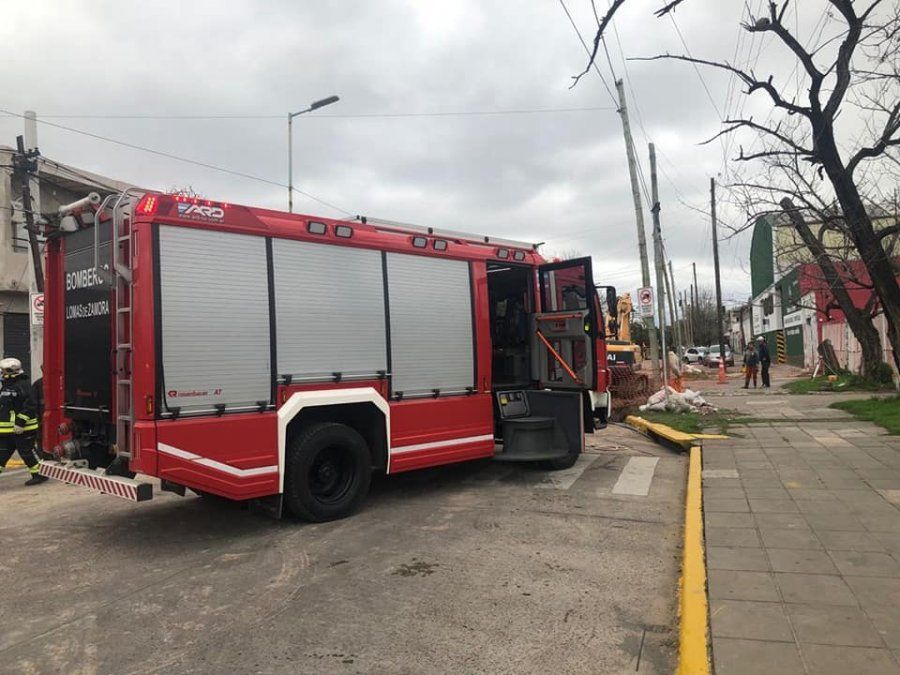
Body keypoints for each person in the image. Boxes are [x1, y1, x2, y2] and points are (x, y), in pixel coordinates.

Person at [0, 358, 47, 485]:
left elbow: (30, 406)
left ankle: (40, 474)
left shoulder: (23, 385)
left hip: (23, 429)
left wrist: (20, 423)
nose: (2, 373)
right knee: (1, 454)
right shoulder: (6, 385)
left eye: (3, 371)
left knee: (27, 453)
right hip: (6, 431)